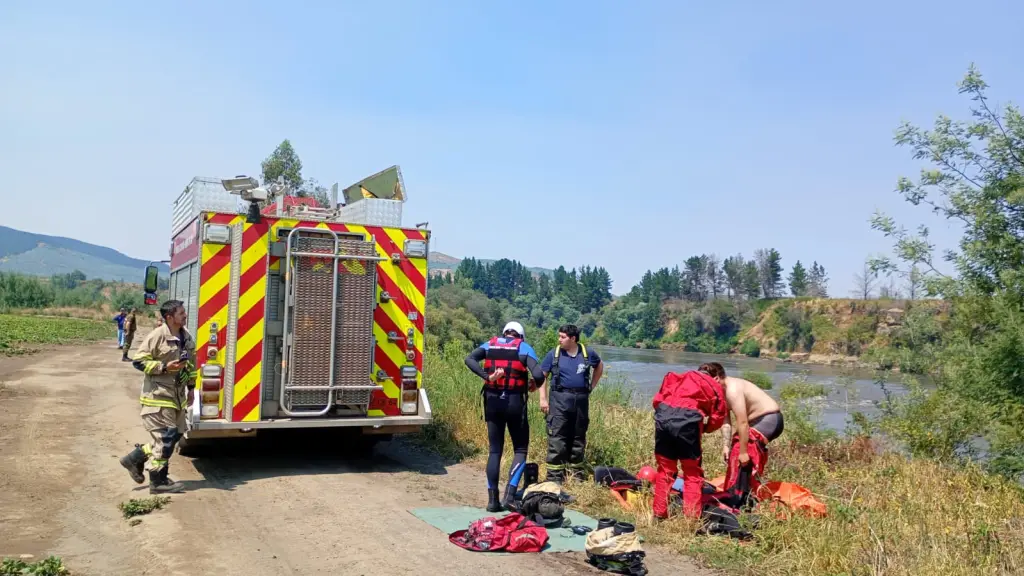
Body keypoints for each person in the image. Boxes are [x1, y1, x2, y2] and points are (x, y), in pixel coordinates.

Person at [464, 321, 545, 512]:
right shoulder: (524, 348)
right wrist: (534, 384)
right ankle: (509, 496)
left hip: (492, 402)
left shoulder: (489, 345)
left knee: (494, 451)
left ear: (504, 333)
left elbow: (469, 360)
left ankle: (493, 501)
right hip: (515, 403)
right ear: (520, 336)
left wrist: (487, 376)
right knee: (520, 449)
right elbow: (539, 374)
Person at [118, 300, 197, 494]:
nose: (185, 315)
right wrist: (163, 367)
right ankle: (158, 480)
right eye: (181, 313)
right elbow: (138, 361)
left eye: (184, 312)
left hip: (177, 397)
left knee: (176, 434)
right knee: (166, 438)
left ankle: (135, 457)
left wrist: (191, 388)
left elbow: (191, 365)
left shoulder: (186, 337)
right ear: (169, 317)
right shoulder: (157, 336)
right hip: (158, 396)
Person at [651, 365, 728, 519]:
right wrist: (705, 428)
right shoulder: (713, 384)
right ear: (717, 377)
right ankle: (691, 519)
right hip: (688, 421)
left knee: (665, 470)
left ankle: (658, 515)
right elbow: (719, 416)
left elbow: (657, 401)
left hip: (663, 419)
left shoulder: (675, 377)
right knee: (692, 472)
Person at [538, 324, 603, 484]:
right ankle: (554, 478)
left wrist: (592, 386)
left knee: (578, 437)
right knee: (558, 438)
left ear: (573, 339)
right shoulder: (554, 354)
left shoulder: (588, 354)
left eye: (562, 337)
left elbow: (599, 366)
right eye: (559, 336)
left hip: (581, 401)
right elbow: (542, 376)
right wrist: (543, 399)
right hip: (559, 400)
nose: (559, 339)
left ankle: (575, 476)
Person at [702, 362, 784, 468]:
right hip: (756, 421)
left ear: (716, 379)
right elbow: (726, 422)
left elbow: (743, 422)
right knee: (735, 449)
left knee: (742, 450)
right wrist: (726, 446)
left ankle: (745, 484)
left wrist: (743, 452)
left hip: (769, 419)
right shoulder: (720, 392)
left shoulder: (732, 390)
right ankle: (745, 482)